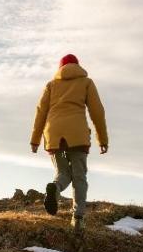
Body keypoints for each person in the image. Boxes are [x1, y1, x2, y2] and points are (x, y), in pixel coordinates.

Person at [29, 54, 108, 231]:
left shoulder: (51, 85)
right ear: (78, 66)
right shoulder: (86, 82)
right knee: (79, 176)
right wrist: (102, 139)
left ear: (60, 68)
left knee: (62, 172)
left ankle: (55, 189)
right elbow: (97, 112)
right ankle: (78, 218)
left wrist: (35, 140)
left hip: (54, 134)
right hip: (77, 134)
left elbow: (40, 112)